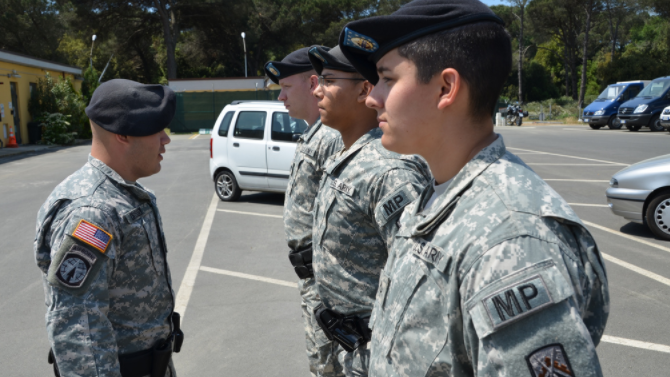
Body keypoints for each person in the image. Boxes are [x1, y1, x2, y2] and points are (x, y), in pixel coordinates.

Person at [338, 1, 610, 376]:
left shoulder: (509, 240)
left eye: (387, 79)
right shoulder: (438, 194)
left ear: (446, 87)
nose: (372, 98)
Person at [34, 79, 183, 377]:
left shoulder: (124, 194)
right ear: (123, 134)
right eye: (155, 129)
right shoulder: (92, 211)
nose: (165, 139)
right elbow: (78, 327)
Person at [308, 45, 431, 377]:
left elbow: (420, 284)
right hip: (347, 348)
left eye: (328, 80)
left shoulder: (388, 172)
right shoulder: (348, 158)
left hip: (376, 356)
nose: (317, 90)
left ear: (364, 90)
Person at [265, 48, 344, 377]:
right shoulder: (315, 134)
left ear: (313, 82)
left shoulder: (331, 137)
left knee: (328, 367)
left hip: (327, 281)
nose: (281, 96)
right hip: (313, 278)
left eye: (286, 87)